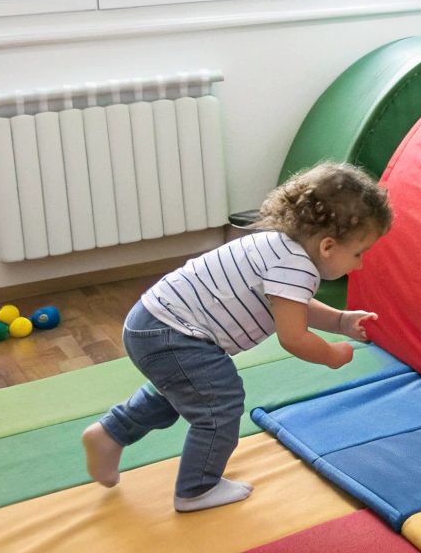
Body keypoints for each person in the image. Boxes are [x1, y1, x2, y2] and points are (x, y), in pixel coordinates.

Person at [80, 162, 390, 509]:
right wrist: (331, 355)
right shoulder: (296, 267)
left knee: (182, 392)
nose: (360, 264)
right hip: (174, 333)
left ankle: (110, 434)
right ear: (328, 246)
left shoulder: (278, 246)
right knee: (220, 403)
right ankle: (197, 488)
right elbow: (293, 336)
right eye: (359, 253)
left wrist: (341, 321)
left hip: (151, 323)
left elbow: (292, 305)